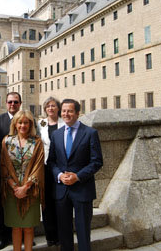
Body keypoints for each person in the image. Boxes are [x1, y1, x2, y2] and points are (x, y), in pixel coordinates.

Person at [47, 99, 103, 251]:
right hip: (61, 191)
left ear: (78, 113)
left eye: (70, 111)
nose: (66, 114)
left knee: (83, 232)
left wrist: (77, 176)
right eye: (64, 111)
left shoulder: (90, 133)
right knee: (64, 233)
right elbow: (51, 161)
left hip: (82, 189)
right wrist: (59, 175)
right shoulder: (56, 135)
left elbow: (97, 162)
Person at [0, 110, 44, 251]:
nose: (23, 125)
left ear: (30, 124)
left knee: (29, 228)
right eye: (20, 122)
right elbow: (3, 166)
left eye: (26, 122)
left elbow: (39, 166)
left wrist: (26, 187)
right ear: (15, 124)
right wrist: (14, 187)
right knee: (16, 227)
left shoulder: (37, 142)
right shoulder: (7, 141)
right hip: (12, 191)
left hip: (30, 190)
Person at [0, 92, 22, 250]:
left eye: (16, 102)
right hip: (3, 170)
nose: (13, 105)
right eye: (10, 102)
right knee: (3, 204)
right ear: (6, 103)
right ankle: (3, 236)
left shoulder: (27, 119)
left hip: (23, 170)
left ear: (20, 103)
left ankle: (22, 234)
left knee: (21, 202)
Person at [37, 96, 64, 247]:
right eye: (48, 106)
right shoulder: (41, 123)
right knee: (46, 201)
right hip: (45, 166)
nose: (51, 108)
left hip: (60, 166)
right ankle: (50, 236)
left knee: (59, 201)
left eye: (53, 106)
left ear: (58, 108)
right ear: (45, 109)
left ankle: (61, 234)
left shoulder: (63, 123)